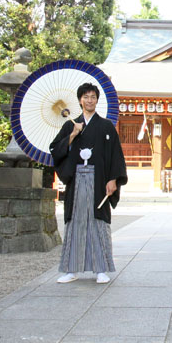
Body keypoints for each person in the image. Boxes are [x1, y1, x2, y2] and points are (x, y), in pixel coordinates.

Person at [50, 82, 128, 284]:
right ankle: (71, 269)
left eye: (93, 97)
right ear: (79, 100)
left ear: (96, 100)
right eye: (86, 97)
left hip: (99, 180)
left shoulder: (105, 126)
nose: (89, 100)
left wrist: (113, 180)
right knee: (76, 222)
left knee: (98, 223)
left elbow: (115, 156)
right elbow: (55, 151)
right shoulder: (70, 124)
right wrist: (73, 134)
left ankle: (100, 268)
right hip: (76, 180)